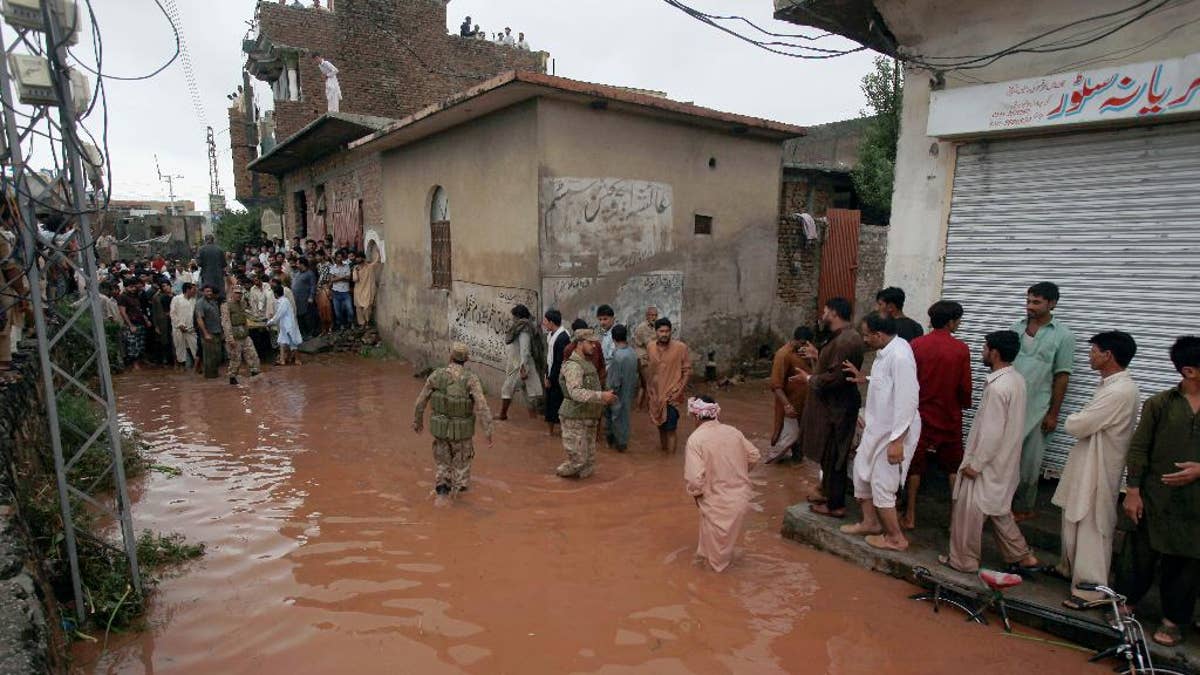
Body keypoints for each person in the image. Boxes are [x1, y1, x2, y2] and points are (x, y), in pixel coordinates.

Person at [1115, 336, 1200, 648]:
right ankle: (1125, 604)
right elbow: (1138, 449)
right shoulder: (1160, 404)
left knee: (1187, 564)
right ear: (1189, 372)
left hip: (1195, 504)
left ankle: (1173, 620)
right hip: (1153, 496)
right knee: (1138, 555)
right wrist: (1133, 491)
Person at [1052, 331, 1140, 610]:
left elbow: (1078, 425)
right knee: (1075, 519)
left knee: (1092, 526)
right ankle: (1070, 570)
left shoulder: (1119, 391)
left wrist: (1071, 418)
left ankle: (1091, 591)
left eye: (1094, 351)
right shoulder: (1110, 386)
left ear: (1108, 355)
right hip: (1088, 464)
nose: (1090, 355)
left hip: (1099, 470)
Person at [941, 330, 1040, 574]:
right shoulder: (1016, 380)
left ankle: (963, 560)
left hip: (988, 464)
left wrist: (976, 463)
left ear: (994, 353)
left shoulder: (998, 388)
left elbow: (991, 432)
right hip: (1004, 462)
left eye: (985, 348)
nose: (982, 353)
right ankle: (1022, 556)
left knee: (969, 515)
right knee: (998, 510)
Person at [840, 312, 921, 551]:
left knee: (882, 483)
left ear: (879, 334)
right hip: (878, 427)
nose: (864, 340)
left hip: (895, 431)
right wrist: (866, 378)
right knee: (861, 471)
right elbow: (887, 382)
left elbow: (908, 400)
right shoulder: (885, 352)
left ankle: (896, 538)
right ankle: (870, 522)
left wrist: (898, 441)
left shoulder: (900, 356)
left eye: (866, 335)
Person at [903, 300, 972, 530]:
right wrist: (964, 404)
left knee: (915, 465)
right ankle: (955, 520)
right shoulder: (961, 349)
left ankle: (910, 515)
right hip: (949, 414)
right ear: (951, 322)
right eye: (958, 320)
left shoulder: (916, 345)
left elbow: (909, 382)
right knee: (953, 467)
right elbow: (965, 388)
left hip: (920, 413)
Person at [795, 297, 865, 518]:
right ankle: (828, 493)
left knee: (835, 454)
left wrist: (809, 379)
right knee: (830, 453)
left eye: (825, 311)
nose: (822, 315)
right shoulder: (842, 338)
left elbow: (835, 377)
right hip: (835, 408)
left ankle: (836, 505)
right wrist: (819, 356)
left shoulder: (846, 341)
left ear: (834, 313)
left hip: (837, 409)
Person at [1011, 281, 1075, 521]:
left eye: (1036, 302)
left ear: (1052, 304)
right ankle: (1000, 503)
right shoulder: (1016, 328)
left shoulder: (1063, 336)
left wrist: (1053, 413)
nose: (1030, 306)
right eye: (1028, 301)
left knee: (1030, 460)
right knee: (1005, 457)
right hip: (1010, 405)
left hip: (1038, 408)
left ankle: (1023, 507)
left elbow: (1062, 376)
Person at [684, 395, 760, 572]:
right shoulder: (733, 432)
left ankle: (713, 594)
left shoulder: (696, 439)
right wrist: (738, 474)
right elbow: (754, 455)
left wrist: (697, 494)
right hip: (740, 498)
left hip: (715, 500)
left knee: (717, 565)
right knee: (712, 548)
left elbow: (695, 479)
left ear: (695, 417)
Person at [412, 343, 495, 496]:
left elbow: (420, 402)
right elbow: (482, 407)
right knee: (461, 473)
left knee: (443, 469)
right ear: (467, 359)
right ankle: (459, 510)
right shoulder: (471, 379)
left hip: (441, 433)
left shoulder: (437, 375)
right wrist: (488, 432)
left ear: (450, 357)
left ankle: (442, 499)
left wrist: (417, 423)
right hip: (462, 437)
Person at [556, 329, 617, 478]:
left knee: (589, 463)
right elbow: (575, 392)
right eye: (590, 343)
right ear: (580, 343)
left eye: (594, 343)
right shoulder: (573, 365)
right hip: (574, 418)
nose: (594, 346)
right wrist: (602, 396)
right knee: (578, 461)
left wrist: (605, 396)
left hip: (589, 417)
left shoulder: (586, 363)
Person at [765, 326, 814, 464]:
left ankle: (796, 464)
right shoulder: (783, 354)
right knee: (781, 438)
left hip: (804, 404)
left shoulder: (808, 354)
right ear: (796, 340)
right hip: (789, 404)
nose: (805, 347)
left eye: (808, 344)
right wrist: (787, 405)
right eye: (803, 344)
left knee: (800, 437)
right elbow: (776, 385)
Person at [646, 317, 691, 455]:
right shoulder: (650, 346)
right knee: (660, 426)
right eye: (661, 331)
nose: (664, 334)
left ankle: (670, 460)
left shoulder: (680, 348)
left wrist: (679, 391)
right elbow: (650, 370)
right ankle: (663, 454)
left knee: (671, 429)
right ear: (656, 332)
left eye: (667, 331)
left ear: (671, 332)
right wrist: (650, 391)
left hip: (672, 395)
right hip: (656, 395)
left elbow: (687, 371)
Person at [499, 304, 544, 421]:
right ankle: (533, 419)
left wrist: (523, 368)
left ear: (518, 316)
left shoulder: (524, 329)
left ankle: (503, 415)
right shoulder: (525, 327)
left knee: (507, 389)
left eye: (514, 317)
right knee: (529, 394)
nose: (512, 319)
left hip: (520, 366)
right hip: (522, 364)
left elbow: (525, 350)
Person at [605, 324, 638, 452]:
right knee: (624, 416)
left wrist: (609, 392)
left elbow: (615, 381)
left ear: (613, 339)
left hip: (617, 392)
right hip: (629, 389)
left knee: (615, 417)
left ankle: (618, 444)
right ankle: (622, 443)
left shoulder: (617, 356)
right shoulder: (632, 353)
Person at [221, 285, 261, 385]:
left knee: (253, 355)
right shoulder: (226, 305)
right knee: (235, 359)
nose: (239, 295)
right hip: (234, 335)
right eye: (237, 293)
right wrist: (230, 339)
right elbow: (226, 323)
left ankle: (255, 373)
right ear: (232, 293)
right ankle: (232, 377)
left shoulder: (242, 304)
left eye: (240, 293)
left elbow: (246, 317)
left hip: (244, 334)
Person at [543, 309, 570, 435]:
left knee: (556, 403)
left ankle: (556, 430)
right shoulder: (551, 335)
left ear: (551, 322)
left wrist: (550, 378)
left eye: (545, 321)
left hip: (558, 376)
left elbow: (559, 362)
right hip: (550, 373)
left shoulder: (563, 338)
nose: (544, 324)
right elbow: (549, 358)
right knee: (551, 402)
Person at [117, 280, 151, 369]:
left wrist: (146, 320)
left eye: (134, 287)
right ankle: (134, 364)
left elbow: (139, 310)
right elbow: (123, 312)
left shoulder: (135, 297)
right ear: (125, 287)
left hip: (140, 322)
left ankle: (139, 362)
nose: (133, 289)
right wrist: (130, 325)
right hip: (131, 324)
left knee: (140, 344)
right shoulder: (122, 297)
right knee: (132, 345)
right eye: (130, 287)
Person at [266, 283, 302, 366]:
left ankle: (297, 359)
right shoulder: (282, 301)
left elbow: (278, 315)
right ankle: (282, 360)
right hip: (284, 326)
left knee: (293, 343)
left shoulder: (284, 302)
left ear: (275, 294)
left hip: (288, 326)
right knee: (281, 342)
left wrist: (269, 323)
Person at [195, 285, 224, 379]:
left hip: (217, 332)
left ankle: (215, 376)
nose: (209, 293)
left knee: (218, 356)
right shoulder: (200, 303)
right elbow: (199, 319)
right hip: (208, 333)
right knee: (209, 357)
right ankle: (210, 377)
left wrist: (222, 332)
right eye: (207, 291)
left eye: (210, 291)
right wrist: (205, 333)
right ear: (203, 292)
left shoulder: (213, 301)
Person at [632, 306, 658, 409]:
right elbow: (649, 343)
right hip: (643, 358)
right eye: (652, 315)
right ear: (647, 316)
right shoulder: (643, 327)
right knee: (649, 384)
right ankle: (649, 407)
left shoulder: (654, 326)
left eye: (655, 315)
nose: (654, 317)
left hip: (647, 357)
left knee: (644, 384)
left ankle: (639, 406)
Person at [169, 282, 198, 370]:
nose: (195, 291)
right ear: (188, 290)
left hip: (191, 329)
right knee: (180, 348)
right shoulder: (177, 299)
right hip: (179, 328)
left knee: (195, 348)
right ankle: (181, 367)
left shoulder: (194, 300)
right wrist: (179, 325)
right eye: (193, 289)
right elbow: (173, 313)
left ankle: (197, 367)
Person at [351, 249, 380, 326]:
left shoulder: (369, 267)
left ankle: (367, 322)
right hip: (358, 291)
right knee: (359, 308)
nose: (357, 259)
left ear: (363, 258)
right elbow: (355, 279)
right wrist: (356, 271)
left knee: (367, 307)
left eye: (359, 257)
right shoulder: (355, 268)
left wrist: (378, 252)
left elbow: (376, 261)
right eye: (357, 257)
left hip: (368, 290)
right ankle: (362, 323)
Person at [150, 281, 175, 366]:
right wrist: (156, 326)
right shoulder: (156, 298)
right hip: (162, 322)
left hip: (173, 322)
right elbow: (154, 312)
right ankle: (165, 360)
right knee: (163, 341)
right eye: (163, 286)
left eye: (167, 285)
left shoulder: (175, 296)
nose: (166, 287)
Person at [291, 258, 317, 338]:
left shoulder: (310, 274)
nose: (296, 265)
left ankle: (310, 333)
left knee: (307, 317)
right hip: (297, 299)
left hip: (305, 299)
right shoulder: (297, 273)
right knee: (299, 317)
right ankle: (303, 334)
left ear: (302, 264)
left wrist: (311, 297)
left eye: (298, 264)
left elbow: (313, 286)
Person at [328, 248, 354, 330]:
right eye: (338, 257)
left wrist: (337, 277)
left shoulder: (346, 266)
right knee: (338, 312)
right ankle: (341, 324)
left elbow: (348, 278)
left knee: (350, 310)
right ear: (335, 258)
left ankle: (350, 322)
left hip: (345, 292)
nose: (339, 259)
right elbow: (331, 280)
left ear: (343, 258)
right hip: (336, 292)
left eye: (341, 257)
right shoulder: (333, 267)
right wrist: (343, 277)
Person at [196, 234, 225, 300]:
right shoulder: (219, 249)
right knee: (219, 298)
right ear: (213, 240)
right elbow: (224, 264)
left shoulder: (201, 249)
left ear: (205, 240)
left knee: (208, 296)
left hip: (207, 277)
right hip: (218, 278)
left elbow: (199, 263)